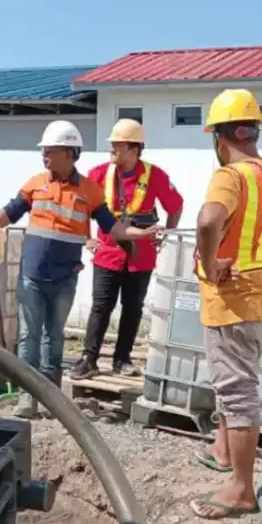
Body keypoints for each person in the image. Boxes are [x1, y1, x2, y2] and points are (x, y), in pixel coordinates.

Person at [0, 120, 157, 418]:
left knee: (55, 337)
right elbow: (9, 213)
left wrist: (141, 234)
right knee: (29, 337)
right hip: (32, 276)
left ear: (71, 153)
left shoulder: (90, 191)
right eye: (44, 151)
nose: (44, 155)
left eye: (51, 151)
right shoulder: (35, 183)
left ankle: (52, 400)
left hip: (65, 277)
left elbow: (111, 227)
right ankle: (27, 399)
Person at [189, 89, 262, 520]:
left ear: (219, 137)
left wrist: (211, 261)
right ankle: (223, 450)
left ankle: (240, 489)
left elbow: (207, 221)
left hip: (233, 302)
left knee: (237, 392)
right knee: (237, 381)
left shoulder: (231, 175)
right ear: (253, 130)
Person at [70, 118, 183, 379]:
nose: (112, 149)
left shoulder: (155, 175)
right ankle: (89, 358)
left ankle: (123, 359)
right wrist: (87, 238)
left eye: (118, 145)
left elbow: (175, 204)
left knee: (133, 308)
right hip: (107, 252)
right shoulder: (98, 173)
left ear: (134, 149)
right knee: (101, 306)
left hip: (140, 255)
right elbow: (80, 207)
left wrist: (167, 231)